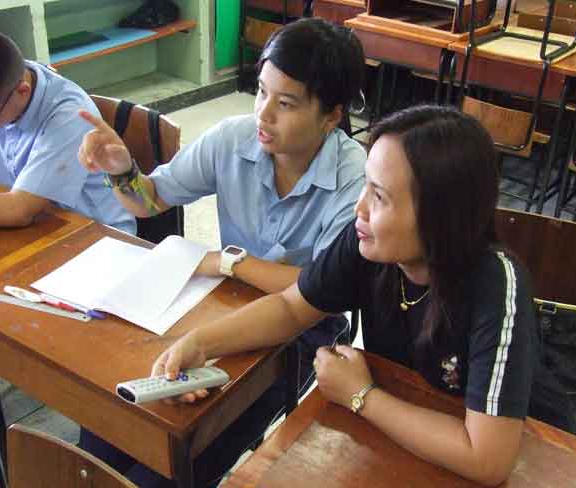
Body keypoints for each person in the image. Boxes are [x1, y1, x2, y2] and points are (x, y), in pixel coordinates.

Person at [154, 105, 537, 487]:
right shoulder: (367, 243)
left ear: (440, 216)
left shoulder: (496, 286)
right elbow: (291, 307)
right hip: (400, 437)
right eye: (365, 185)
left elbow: (487, 459)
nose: (359, 208)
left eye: (380, 197)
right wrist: (201, 343)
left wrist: (361, 395)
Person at [77, 17, 366, 487]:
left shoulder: (355, 180)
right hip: (219, 301)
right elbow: (151, 199)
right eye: (261, 92)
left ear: (332, 116)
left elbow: (320, 292)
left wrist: (228, 261)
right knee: (108, 420)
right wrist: (121, 170)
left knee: (190, 449)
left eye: (286, 103)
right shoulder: (234, 139)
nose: (263, 114)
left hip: (302, 334)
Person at [0, 24, 135, 234]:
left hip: (97, 234)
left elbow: (19, 209)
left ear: (22, 91)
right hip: (38, 221)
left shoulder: (69, 117)